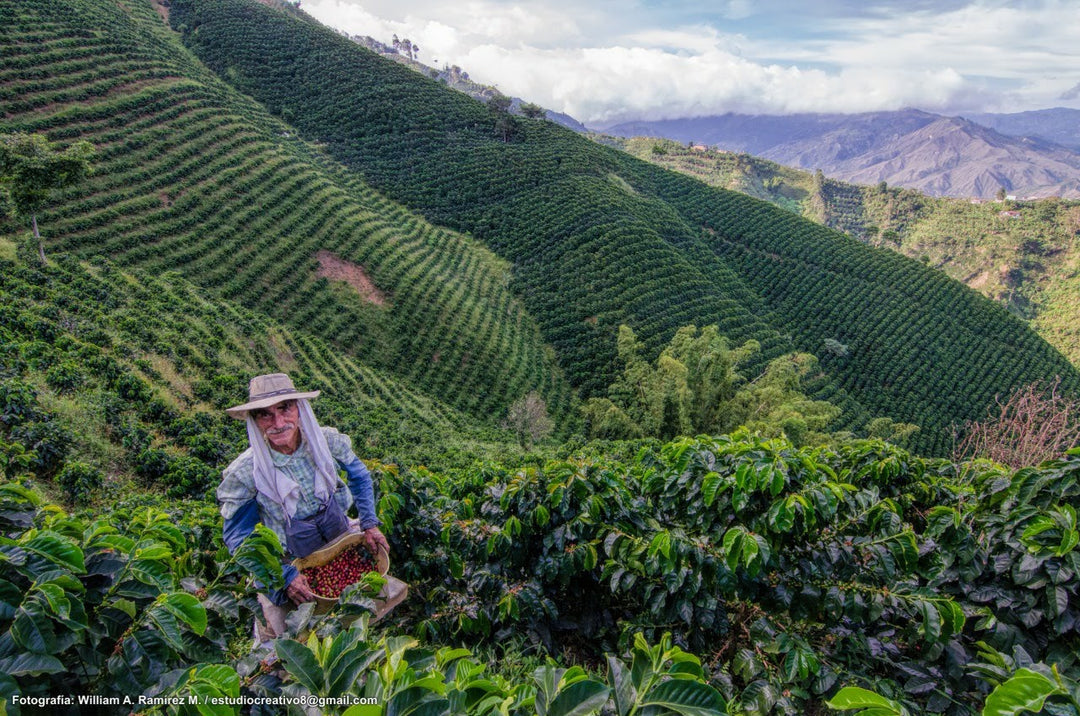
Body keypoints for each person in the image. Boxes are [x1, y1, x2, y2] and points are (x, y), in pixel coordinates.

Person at [217, 372, 389, 639]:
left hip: (337, 536)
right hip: (289, 559)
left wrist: (369, 522)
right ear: (256, 421)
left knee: (360, 615)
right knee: (288, 636)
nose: (278, 422)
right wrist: (285, 575)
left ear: (298, 409)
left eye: (284, 409)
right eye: (265, 414)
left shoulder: (324, 442)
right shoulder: (248, 471)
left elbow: (359, 474)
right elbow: (239, 537)